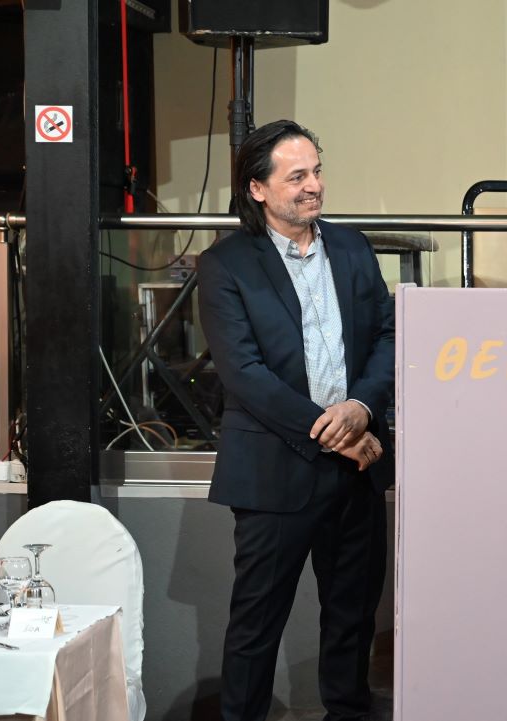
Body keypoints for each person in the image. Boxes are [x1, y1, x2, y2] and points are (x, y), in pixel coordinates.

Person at [197, 119, 395, 721]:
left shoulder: (353, 247)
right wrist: (335, 435)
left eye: (317, 171)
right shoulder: (226, 264)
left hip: (357, 472)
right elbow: (244, 373)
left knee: (352, 621)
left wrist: (360, 409)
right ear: (257, 188)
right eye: (297, 176)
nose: (314, 185)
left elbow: (389, 336)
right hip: (273, 472)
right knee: (256, 627)